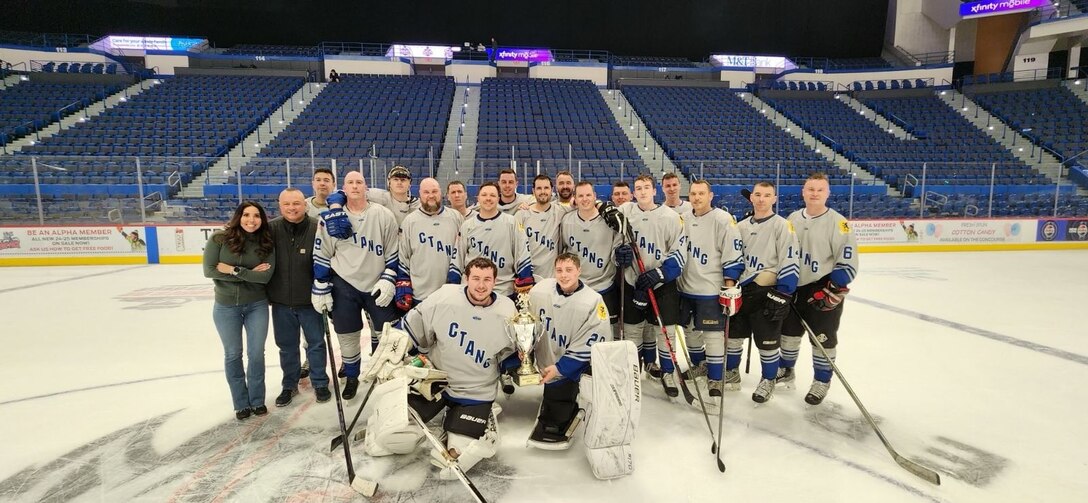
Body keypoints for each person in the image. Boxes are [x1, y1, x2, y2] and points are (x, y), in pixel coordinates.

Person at [359, 257, 519, 480]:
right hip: (436, 383)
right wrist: (390, 352)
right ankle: (385, 422)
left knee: (454, 458)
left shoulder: (507, 310)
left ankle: (480, 418)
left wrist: (517, 363)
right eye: (475, 279)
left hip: (476, 391)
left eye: (486, 280)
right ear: (465, 279)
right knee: (392, 439)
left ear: (495, 282)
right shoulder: (444, 297)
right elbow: (411, 327)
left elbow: (511, 353)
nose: (481, 285)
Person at [311, 171, 401, 400]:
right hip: (344, 283)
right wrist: (321, 285)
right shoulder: (330, 218)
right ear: (343, 187)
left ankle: (383, 373)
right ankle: (352, 377)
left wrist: (389, 277)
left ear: (366, 187)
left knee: (385, 333)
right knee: (348, 335)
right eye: (350, 182)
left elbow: (393, 251)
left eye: (359, 182)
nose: (355, 186)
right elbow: (322, 252)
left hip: (376, 283)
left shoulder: (383, 215)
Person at [780, 173, 858, 405]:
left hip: (822, 288)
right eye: (810, 189)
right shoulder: (793, 218)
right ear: (803, 192)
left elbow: (847, 261)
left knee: (823, 338)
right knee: (788, 334)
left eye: (820, 190)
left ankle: (822, 380)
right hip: (794, 286)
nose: (814, 193)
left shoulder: (838, 223)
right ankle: (786, 370)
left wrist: (833, 287)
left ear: (828, 193)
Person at [611, 174, 688, 397]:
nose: (643, 192)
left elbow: (679, 252)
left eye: (647, 188)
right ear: (633, 193)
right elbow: (616, 245)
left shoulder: (671, 217)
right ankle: (632, 371)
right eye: (638, 188)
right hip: (633, 280)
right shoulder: (626, 212)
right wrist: (620, 256)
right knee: (633, 329)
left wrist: (660, 273)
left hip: (661, 283)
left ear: (655, 191)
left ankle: (667, 371)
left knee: (665, 332)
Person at [527, 253, 612, 448]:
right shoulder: (540, 290)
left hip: (570, 366)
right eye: (559, 270)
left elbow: (594, 339)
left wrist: (561, 368)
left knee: (556, 413)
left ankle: (563, 402)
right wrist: (526, 354)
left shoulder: (592, 300)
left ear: (579, 271)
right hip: (545, 356)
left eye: (569, 270)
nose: (563, 275)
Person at [726, 182, 800, 403]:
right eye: (757, 194)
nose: (761, 199)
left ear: (774, 199)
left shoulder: (782, 226)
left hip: (766, 291)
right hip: (742, 288)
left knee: (767, 341)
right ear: (751, 198)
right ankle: (732, 373)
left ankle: (768, 379)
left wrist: (784, 292)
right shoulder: (739, 226)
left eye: (767, 195)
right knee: (733, 337)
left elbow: (790, 258)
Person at [203, 201, 276, 420]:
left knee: (255, 354)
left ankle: (257, 400)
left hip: (256, 305)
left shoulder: (266, 243)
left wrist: (234, 270)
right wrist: (248, 272)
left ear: (262, 219)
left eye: (256, 216)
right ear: (238, 216)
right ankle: (241, 403)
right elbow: (209, 271)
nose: (251, 220)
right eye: (246, 215)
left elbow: (264, 277)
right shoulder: (219, 239)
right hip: (225, 307)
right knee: (233, 354)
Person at [676, 180, 744, 409]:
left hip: (711, 288)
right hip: (685, 287)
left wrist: (729, 285)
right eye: (693, 194)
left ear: (710, 195)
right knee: (691, 332)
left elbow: (733, 253)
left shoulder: (723, 220)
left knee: (713, 335)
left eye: (701, 193)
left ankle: (716, 377)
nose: (696, 197)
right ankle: (699, 365)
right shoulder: (683, 219)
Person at [267, 188, 331, 407]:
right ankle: (289, 385)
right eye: (287, 204)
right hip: (281, 301)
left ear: (305, 205)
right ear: (280, 206)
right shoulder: (271, 228)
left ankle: (320, 382)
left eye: (296, 203)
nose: (292, 208)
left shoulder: (317, 227)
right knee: (286, 346)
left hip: (311, 300)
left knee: (315, 344)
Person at [560, 181, 622, 339]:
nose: (585, 199)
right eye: (580, 195)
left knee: (608, 335)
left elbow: (617, 253)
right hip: (577, 288)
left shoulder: (609, 221)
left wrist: (621, 256)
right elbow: (563, 251)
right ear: (575, 198)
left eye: (588, 195)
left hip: (604, 287)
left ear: (595, 196)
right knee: (577, 334)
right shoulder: (566, 221)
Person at [456, 182, 534, 300]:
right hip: (472, 291)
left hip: (503, 290)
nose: (488, 198)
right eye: (484, 195)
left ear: (498, 198)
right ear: (478, 198)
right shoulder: (467, 225)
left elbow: (522, 254)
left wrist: (524, 283)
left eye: (492, 195)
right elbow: (457, 259)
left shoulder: (511, 223)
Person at [396, 177, 464, 311]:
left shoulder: (456, 217)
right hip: (420, 293)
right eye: (426, 192)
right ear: (420, 194)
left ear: (441, 193)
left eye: (434, 191)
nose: (431, 196)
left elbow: (464, 252)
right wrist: (403, 283)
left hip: (451, 292)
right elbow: (403, 257)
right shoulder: (410, 221)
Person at [515, 175, 569, 283]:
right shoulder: (521, 215)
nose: (543, 191)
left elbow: (583, 203)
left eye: (546, 188)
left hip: (552, 278)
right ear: (533, 191)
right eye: (539, 188)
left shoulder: (559, 211)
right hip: (527, 276)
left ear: (552, 190)